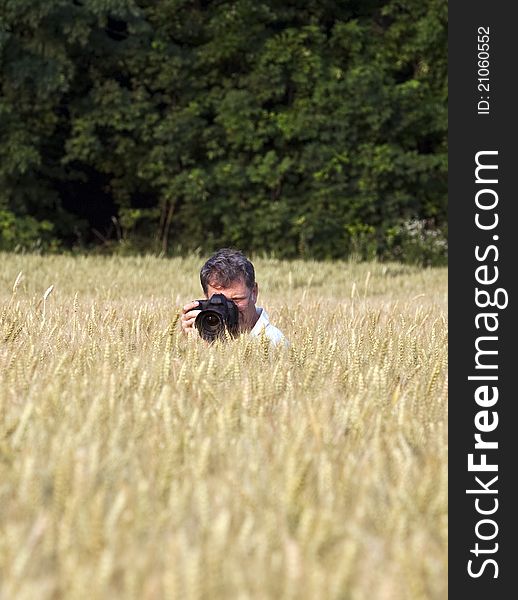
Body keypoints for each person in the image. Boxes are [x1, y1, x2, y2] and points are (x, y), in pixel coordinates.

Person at [181, 248, 287, 346]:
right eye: (218, 302)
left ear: (254, 293)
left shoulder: (274, 342)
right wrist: (191, 345)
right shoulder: (201, 340)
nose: (227, 309)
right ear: (206, 297)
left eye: (236, 300)